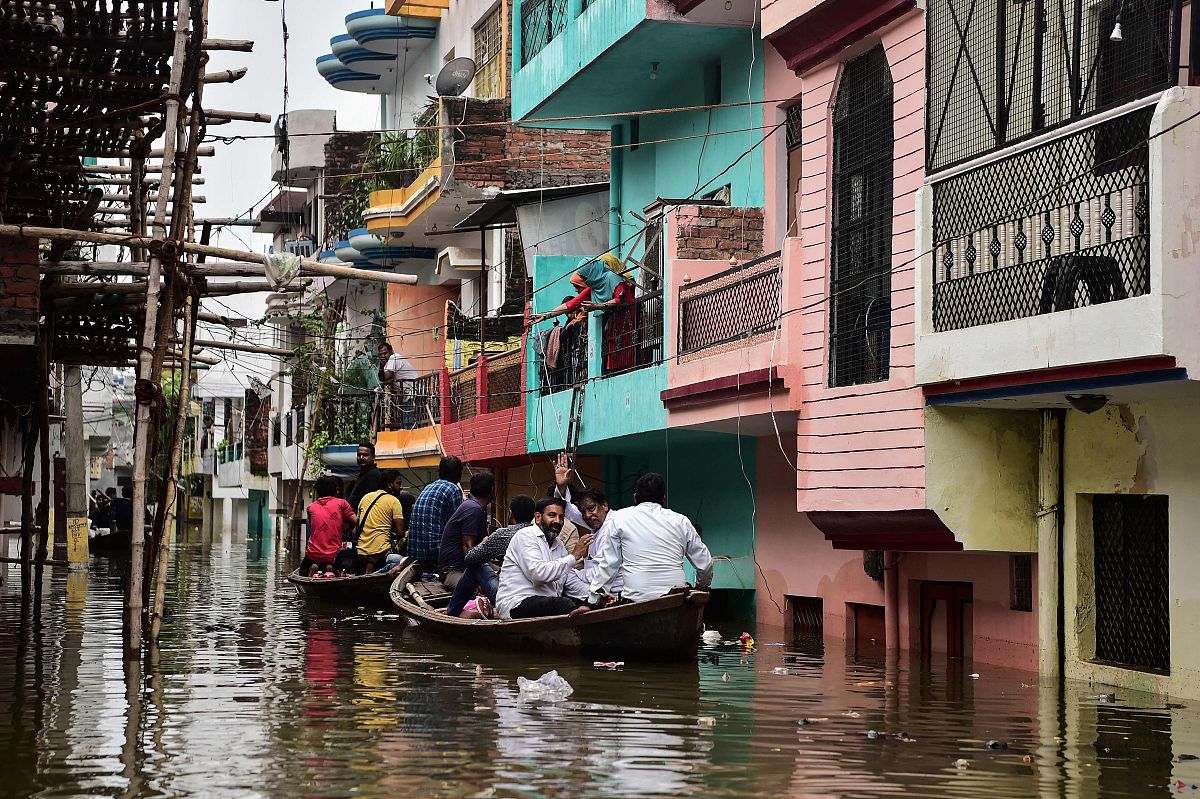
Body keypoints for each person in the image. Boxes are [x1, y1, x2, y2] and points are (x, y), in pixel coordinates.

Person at [587, 472, 712, 605]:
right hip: (676, 601)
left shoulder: (619, 518)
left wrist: (592, 602)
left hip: (636, 601)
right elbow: (705, 564)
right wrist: (701, 588)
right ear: (663, 499)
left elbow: (609, 564)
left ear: (635, 498)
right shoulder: (681, 521)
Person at [531, 254, 636, 372]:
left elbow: (619, 299)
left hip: (628, 319)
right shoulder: (594, 287)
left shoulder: (612, 278)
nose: (585, 280)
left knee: (629, 351)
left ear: (591, 272)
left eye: (584, 276)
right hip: (613, 326)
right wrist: (545, 315)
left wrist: (597, 306)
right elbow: (569, 305)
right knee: (615, 357)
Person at [496, 497, 594, 620]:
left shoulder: (558, 544)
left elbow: (569, 579)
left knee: (587, 603)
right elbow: (538, 574)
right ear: (538, 517)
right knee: (563, 604)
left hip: (546, 603)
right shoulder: (525, 536)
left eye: (561, 517)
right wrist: (573, 556)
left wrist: (594, 597)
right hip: (517, 603)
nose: (557, 521)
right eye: (552, 516)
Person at [446, 494, 535, 618]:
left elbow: (470, 558)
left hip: (512, 598)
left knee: (475, 566)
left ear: (510, 514)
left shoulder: (505, 534)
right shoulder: (538, 533)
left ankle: (452, 611)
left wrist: (483, 543)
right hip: (535, 595)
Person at [438, 472, 494, 591]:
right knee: (482, 589)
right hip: (454, 571)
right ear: (492, 490)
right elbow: (468, 550)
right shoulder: (473, 509)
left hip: (465, 567)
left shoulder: (475, 507)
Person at [408, 456, 464, 570]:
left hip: (416, 551)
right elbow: (457, 526)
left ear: (439, 472)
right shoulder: (453, 489)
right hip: (435, 552)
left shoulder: (429, 486)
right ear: (459, 474)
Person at [351, 469, 407, 574]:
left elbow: (358, 529)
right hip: (381, 554)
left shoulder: (365, 498)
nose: (401, 487)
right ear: (389, 485)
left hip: (360, 553)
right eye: (398, 483)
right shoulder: (394, 501)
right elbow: (401, 534)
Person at [302, 475, 356, 576]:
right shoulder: (342, 503)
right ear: (335, 490)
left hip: (313, 553)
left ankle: (311, 569)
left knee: (302, 571)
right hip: (333, 554)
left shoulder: (311, 507)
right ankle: (331, 570)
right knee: (337, 564)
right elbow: (356, 521)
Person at [377, 341, 418, 427]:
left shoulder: (394, 357)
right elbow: (381, 378)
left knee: (409, 424)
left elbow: (387, 377)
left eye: (385, 353)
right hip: (408, 395)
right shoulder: (387, 364)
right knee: (407, 422)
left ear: (391, 351)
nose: (383, 356)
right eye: (381, 355)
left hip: (414, 393)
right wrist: (381, 364)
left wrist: (381, 364)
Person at [347, 441, 385, 511]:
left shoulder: (373, 475)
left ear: (373, 457)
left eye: (365, 455)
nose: (361, 457)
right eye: (359, 455)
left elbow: (369, 502)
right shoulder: (364, 473)